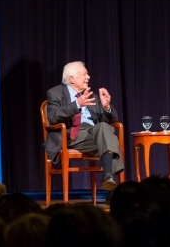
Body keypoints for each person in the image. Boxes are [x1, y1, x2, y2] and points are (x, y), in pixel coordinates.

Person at [45, 61, 123, 190]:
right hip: (71, 134)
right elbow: (52, 117)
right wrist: (76, 105)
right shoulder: (55, 93)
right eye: (85, 74)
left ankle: (109, 177)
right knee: (111, 142)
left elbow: (111, 121)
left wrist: (106, 107)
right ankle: (113, 191)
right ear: (72, 79)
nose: (88, 77)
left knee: (104, 129)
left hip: (95, 133)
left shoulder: (92, 96)